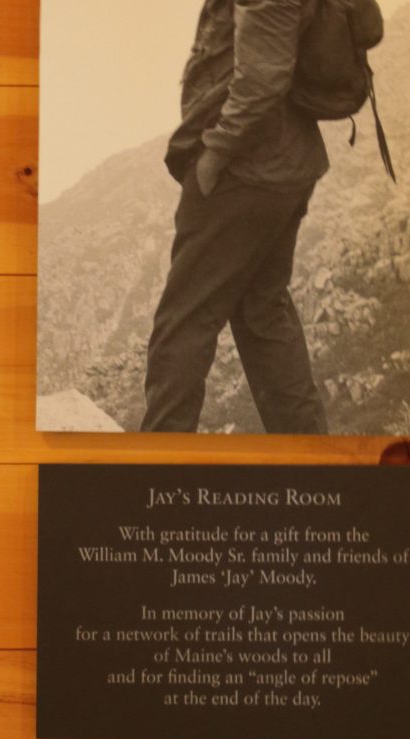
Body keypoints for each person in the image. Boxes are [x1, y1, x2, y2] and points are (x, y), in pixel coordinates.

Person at [141, 0, 329, 434]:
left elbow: (264, 77)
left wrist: (214, 156)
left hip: (242, 172)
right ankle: (312, 461)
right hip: (284, 164)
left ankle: (154, 471)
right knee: (264, 313)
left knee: (184, 322)